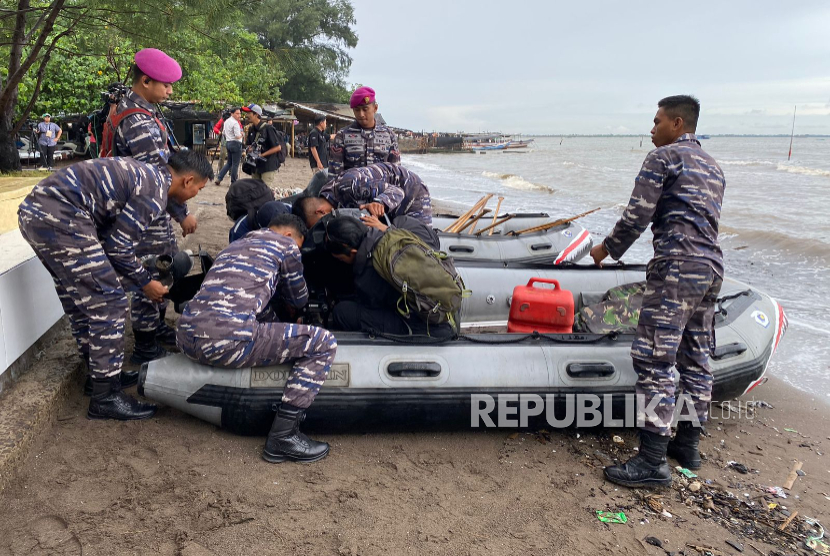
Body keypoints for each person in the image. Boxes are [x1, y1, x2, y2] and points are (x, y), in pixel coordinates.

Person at [590, 95, 726, 488]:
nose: (651, 129)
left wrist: (606, 249)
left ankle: (652, 461)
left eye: (657, 121)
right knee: (697, 357)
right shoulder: (714, 167)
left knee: (655, 358)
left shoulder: (662, 159)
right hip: (711, 269)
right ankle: (688, 445)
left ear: (678, 124)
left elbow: (637, 215)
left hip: (677, 269)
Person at [18, 151, 213, 420]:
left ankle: (99, 375)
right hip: (60, 215)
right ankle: (105, 396)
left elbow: (113, 243)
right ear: (187, 181)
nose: (195, 196)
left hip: (38, 212)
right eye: (199, 189)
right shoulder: (153, 192)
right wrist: (146, 283)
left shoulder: (149, 177)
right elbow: (118, 248)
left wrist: (139, 275)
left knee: (81, 301)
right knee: (109, 302)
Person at [177, 214, 337, 463]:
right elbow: (298, 299)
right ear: (288, 235)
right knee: (323, 343)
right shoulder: (285, 245)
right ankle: (283, 436)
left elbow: (256, 304)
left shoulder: (237, 245)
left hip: (185, 338)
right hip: (225, 342)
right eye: (298, 244)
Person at [110, 48, 198, 364]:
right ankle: (146, 346)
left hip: (150, 210)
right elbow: (159, 178)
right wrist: (182, 213)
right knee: (152, 273)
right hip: (143, 213)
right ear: (145, 81)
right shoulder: (137, 120)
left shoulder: (143, 111)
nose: (170, 90)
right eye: (165, 84)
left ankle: (157, 328)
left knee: (165, 267)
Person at [323, 214, 453, 336]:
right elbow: (433, 239)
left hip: (419, 322)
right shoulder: (401, 225)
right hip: (443, 302)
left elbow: (373, 307)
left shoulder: (367, 277)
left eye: (340, 259)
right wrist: (390, 230)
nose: (341, 262)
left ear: (352, 252)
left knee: (342, 312)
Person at [293, 162, 432, 228]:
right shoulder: (327, 194)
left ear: (321, 212)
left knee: (420, 242)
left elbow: (397, 192)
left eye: (318, 224)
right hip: (392, 198)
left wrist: (379, 202)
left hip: (412, 192)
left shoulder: (350, 187)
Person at [328, 86, 400, 179]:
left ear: (375, 108)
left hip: (383, 191)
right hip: (351, 191)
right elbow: (334, 175)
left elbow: (396, 173)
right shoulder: (342, 136)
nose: (361, 114)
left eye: (365, 109)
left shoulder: (389, 136)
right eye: (357, 110)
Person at [245, 104, 282, 191]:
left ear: (256, 114)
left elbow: (277, 147)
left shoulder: (268, 128)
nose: (247, 115)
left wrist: (262, 155)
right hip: (255, 165)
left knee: (264, 191)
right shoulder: (251, 129)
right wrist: (249, 149)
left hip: (268, 165)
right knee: (255, 190)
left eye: (249, 113)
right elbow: (248, 145)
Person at [215, 107, 244, 185]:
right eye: (237, 113)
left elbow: (223, 132)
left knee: (229, 163)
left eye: (240, 113)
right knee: (235, 164)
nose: (239, 115)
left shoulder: (226, 121)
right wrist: (242, 134)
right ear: (232, 114)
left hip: (228, 143)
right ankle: (233, 182)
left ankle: (219, 178)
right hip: (236, 143)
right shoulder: (235, 123)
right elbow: (238, 136)